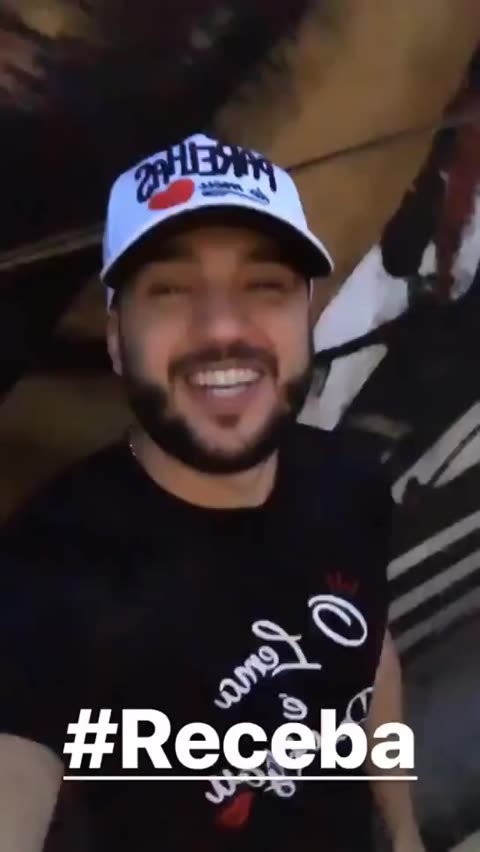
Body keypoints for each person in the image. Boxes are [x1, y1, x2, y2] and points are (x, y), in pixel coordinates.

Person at [0, 133, 424, 852]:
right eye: (170, 290)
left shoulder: (350, 481)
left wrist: (406, 835)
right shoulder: (42, 583)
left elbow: (366, 652)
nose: (224, 326)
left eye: (265, 286)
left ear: (306, 315)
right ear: (116, 339)